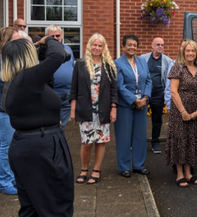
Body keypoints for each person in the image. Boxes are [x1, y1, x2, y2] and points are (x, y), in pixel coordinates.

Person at [1, 37, 74, 216]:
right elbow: (57, 55)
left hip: (29, 147)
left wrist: (42, 51)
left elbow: (47, 80)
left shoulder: (18, 83)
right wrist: (49, 39)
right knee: (56, 207)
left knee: (32, 208)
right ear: (26, 56)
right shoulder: (26, 80)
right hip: (42, 149)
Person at [70, 33, 118, 184]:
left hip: (103, 110)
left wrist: (113, 108)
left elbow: (113, 90)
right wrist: (73, 110)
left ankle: (96, 170)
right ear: (89, 46)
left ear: (103, 48)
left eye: (100, 45)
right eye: (94, 45)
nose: (97, 48)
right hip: (85, 109)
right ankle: (84, 169)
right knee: (86, 142)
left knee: (100, 141)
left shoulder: (109, 65)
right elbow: (74, 89)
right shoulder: (80, 64)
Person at [166, 39, 197, 187]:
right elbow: (173, 92)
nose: (190, 53)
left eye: (192, 51)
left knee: (191, 140)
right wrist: (183, 111)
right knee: (179, 141)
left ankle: (189, 173)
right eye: (187, 51)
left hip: (194, 112)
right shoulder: (177, 67)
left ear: (196, 53)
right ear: (183, 52)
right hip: (179, 111)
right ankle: (180, 174)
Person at [114, 34, 152, 178]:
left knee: (140, 136)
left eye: (134, 45)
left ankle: (139, 165)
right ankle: (124, 167)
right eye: (129, 45)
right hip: (125, 106)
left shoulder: (142, 61)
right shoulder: (117, 63)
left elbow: (148, 80)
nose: (132, 47)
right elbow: (120, 86)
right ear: (123, 46)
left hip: (142, 105)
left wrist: (145, 98)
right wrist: (134, 100)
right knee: (124, 137)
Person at [140, 37, 173, 154]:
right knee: (139, 118)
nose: (160, 47)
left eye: (162, 45)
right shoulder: (142, 58)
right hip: (143, 93)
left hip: (158, 93)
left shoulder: (168, 61)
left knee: (157, 119)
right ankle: (137, 142)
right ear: (152, 46)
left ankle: (155, 142)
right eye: (158, 44)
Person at [44, 25, 75, 129]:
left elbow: (72, 67)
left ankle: (58, 143)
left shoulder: (68, 49)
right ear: (46, 37)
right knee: (50, 123)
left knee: (62, 126)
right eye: (52, 36)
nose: (56, 38)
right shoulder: (42, 51)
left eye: (58, 35)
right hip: (52, 92)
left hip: (68, 93)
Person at [0, 27, 19, 196]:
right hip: (3, 112)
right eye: (15, 41)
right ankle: (5, 181)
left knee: (11, 146)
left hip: (11, 111)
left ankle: (11, 178)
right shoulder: (2, 63)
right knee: (5, 147)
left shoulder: (11, 60)